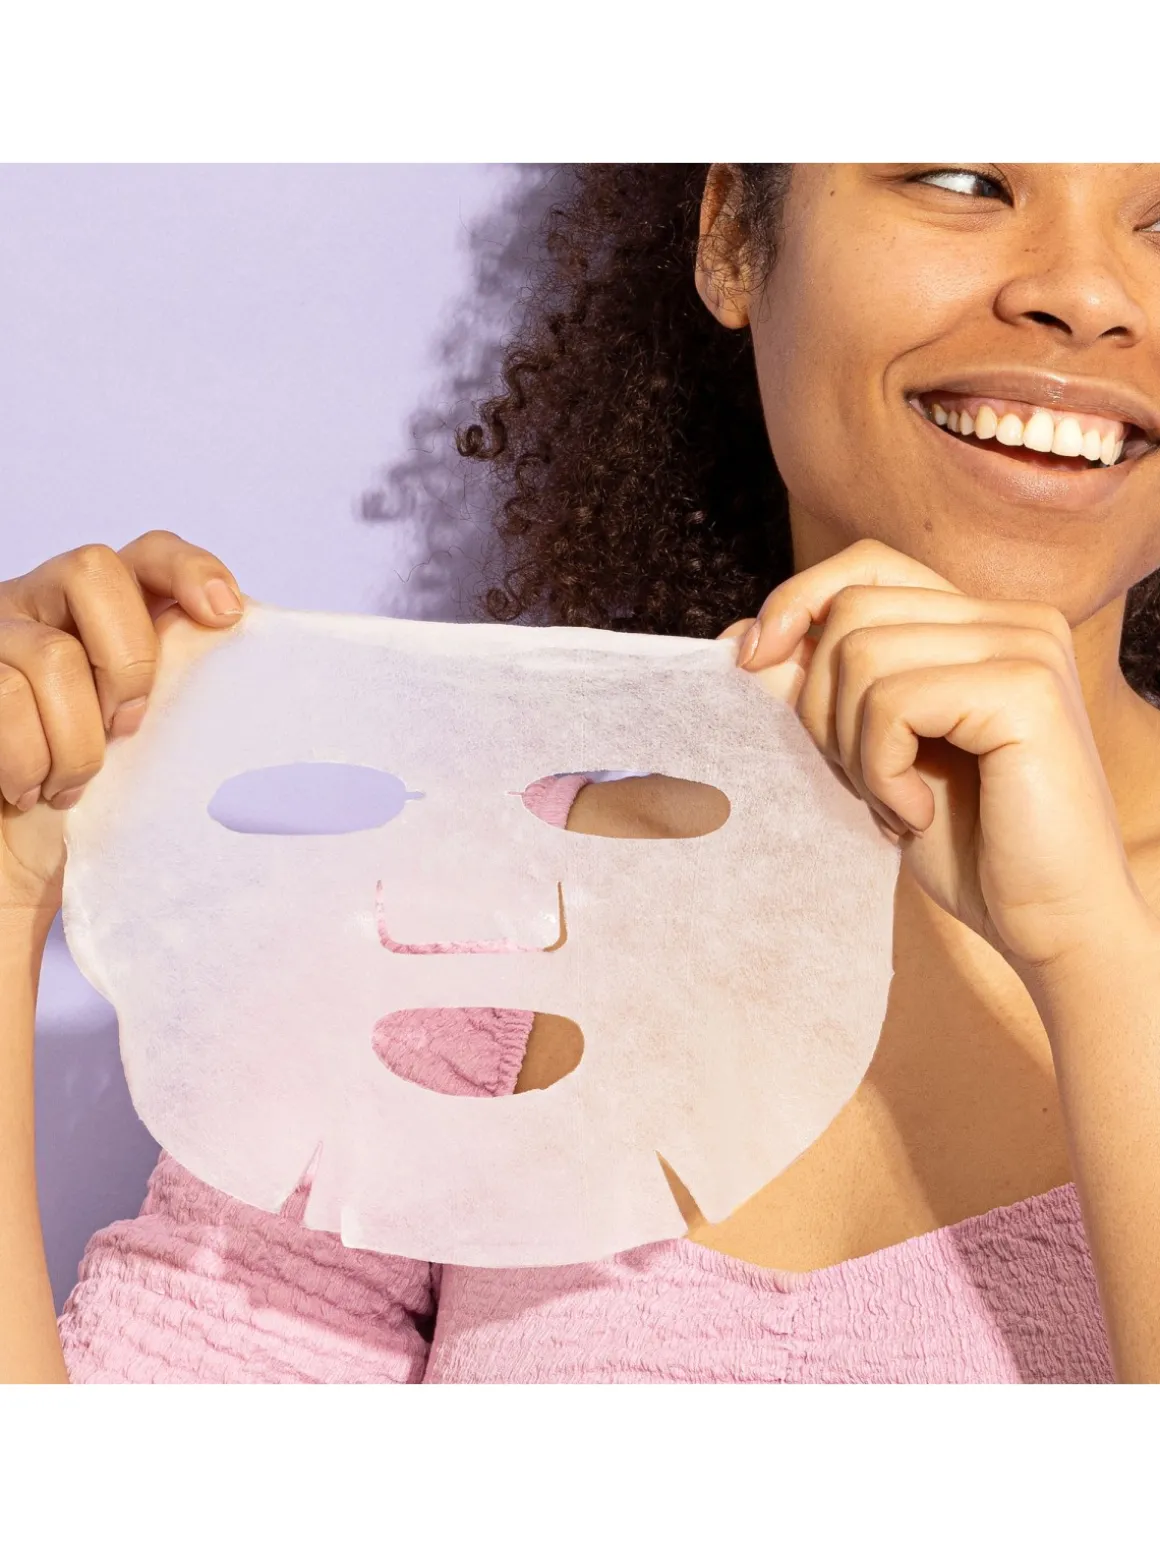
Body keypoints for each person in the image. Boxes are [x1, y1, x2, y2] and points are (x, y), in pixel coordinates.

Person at [4, 163, 1160, 1384]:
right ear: (732, 236)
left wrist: (1089, 953)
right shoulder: (464, 919)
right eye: (963, 179)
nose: (1085, 292)